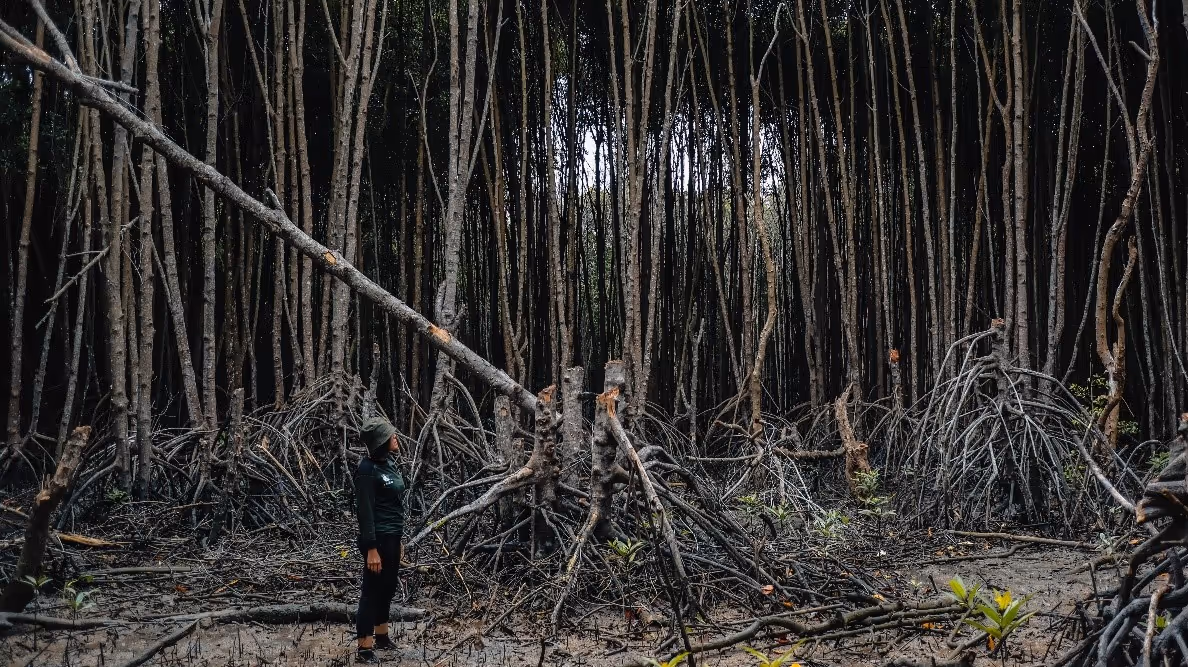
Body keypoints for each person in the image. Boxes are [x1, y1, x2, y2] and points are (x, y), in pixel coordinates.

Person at [354, 416, 406, 664]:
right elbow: (365, 512)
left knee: (388, 587)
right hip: (377, 539)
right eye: (391, 435)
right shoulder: (366, 470)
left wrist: (399, 540)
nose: (395, 437)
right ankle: (364, 647)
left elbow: (394, 505)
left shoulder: (390, 464)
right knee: (371, 591)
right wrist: (371, 548)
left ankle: (382, 636)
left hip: (393, 537)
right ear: (381, 441)